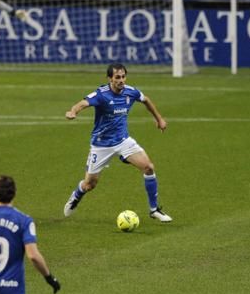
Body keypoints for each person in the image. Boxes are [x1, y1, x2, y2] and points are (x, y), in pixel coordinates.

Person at [63, 62, 173, 223]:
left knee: (148, 167)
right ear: (109, 79)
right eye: (117, 77)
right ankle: (77, 194)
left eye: (123, 77)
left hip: (123, 141)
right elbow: (83, 103)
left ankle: (154, 209)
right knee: (89, 184)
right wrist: (73, 112)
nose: (121, 80)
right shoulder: (101, 94)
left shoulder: (131, 92)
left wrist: (159, 119)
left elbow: (146, 100)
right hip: (101, 145)